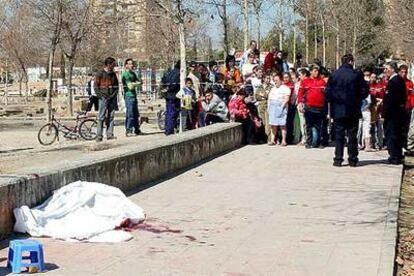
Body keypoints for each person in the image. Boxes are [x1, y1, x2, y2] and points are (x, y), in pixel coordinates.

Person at [325, 54, 369, 167]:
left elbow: (328, 93)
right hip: (352, 109)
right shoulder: (356, 74)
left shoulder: (334, 74)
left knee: (339, 135)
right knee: (352, 135)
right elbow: (364, 91)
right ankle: (353, 159)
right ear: (351, 62)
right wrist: (357, 98)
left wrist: (333, 102)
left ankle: (338, 159)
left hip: (338, 109)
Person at [383, 62, 407, 164]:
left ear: (392, 69)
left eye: (386, 69)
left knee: (393, 134)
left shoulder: (394, 81)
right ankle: (396, 154)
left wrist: (385, 112)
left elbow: (391, 100)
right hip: (397, 113)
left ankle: (395, 156)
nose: (385, 71)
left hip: (393, 114)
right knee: (396, 134)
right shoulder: (398, 80)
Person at [298, 64, 327, 148]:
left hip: (320, 107)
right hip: (309, 107)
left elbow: (326, 93)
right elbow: (300, 94)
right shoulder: (305, 82)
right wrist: (300, 104)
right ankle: (309, 142)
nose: (317, 72)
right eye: (315, 71)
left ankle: (318, 142)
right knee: (309, 125)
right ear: (310, 72)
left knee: (319, 125)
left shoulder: (322, 81)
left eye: (317, 71)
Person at [95, 57, 119, 142]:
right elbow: (96, 87)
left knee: (111, 116)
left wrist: (114, 95)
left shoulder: (113, 75)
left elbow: (116, 86)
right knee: (101, 117)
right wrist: (101, 96)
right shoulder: (100, 73)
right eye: (113, 64)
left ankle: (110, 134)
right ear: (108, 64)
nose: (114, 66)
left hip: (112, 98)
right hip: (103, 98)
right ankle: (99, 135)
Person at [268, 74, 291, 146]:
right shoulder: (272, 89)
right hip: (272, 106)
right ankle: (272, 140)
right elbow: (269, 99)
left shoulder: (286, 88)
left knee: (282, 125)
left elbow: (286, 98)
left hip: (281, 106)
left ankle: (283, 140)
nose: (275, 82)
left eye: (276, 80)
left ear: (281, 80)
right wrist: (269, 108)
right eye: (274, 80)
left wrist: (281, 107)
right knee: (273, 124)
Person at [122, 58, 142, 136]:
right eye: (130, 64)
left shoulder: (133, 74)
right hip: (128, 96)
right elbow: (129, 86)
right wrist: (136, 83)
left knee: (136, 113)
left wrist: (135, 83)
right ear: (126, 65)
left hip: (134, 95)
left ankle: (137, 129)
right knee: (130, 113)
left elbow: (140, 82)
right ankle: (128, 130)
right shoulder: (125, 74)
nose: (132, 65)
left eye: (132, 63)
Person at [162, 61, 181, 135]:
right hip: (174, 96)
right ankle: (169, 131)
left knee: (168, 113)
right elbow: (174, 84)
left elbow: (164, 79)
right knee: (172, 114)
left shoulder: (170, 72)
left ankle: (167, 129)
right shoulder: (179, 73)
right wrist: (170, 89)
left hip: (168, 95)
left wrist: (166, 88)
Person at [399, 64, 413, 148]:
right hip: (399, 108)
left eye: (405, 72)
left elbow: (411, 95)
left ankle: (404, 145)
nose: (404, 74)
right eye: (402, 72)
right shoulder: (396, 82)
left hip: (407, 108)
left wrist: (411, 106)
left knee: (406, 127)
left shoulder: (409, 83)